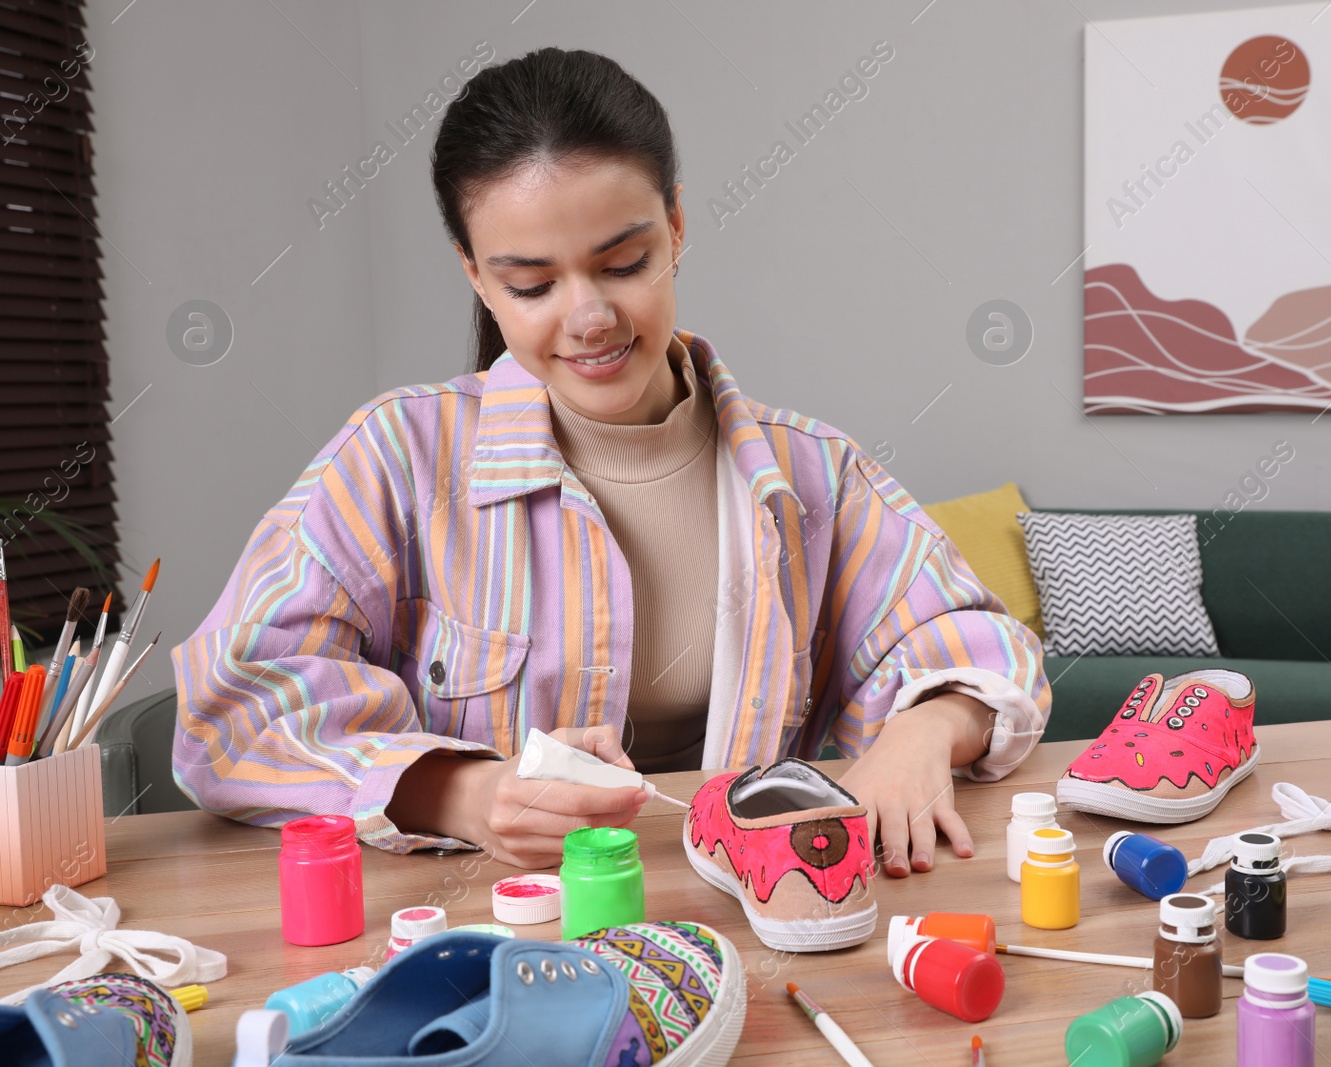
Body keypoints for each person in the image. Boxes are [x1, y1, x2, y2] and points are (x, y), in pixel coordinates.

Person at [171, 47, 1050, 877]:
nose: (589, 316)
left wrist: (927, 731)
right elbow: (231, 712)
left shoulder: (812, 475)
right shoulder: (398, 456)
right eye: (532, 285)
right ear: (476, 276)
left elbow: (984, 649)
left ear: (674, 227)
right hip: (496, 933)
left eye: (623, 262)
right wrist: (459, 791)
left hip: (746, 917)